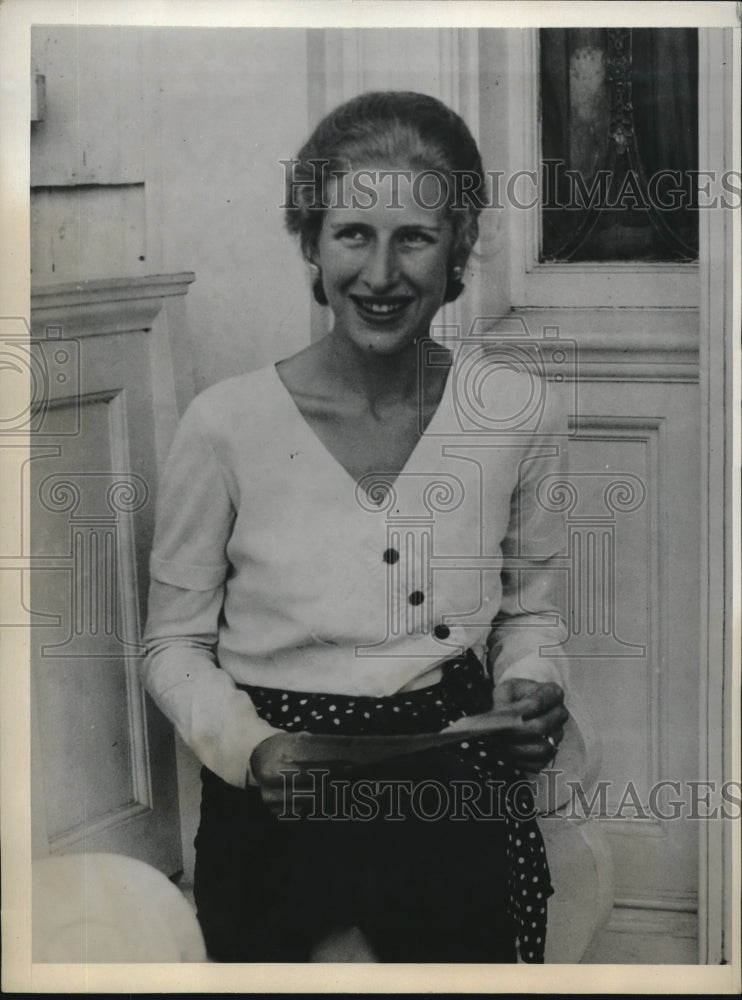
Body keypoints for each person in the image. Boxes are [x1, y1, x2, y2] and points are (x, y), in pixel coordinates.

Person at [143, 90, 570, 964]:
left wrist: (529, 685)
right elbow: (171, 646)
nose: (380, 275)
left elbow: (531, 609)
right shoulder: (224, 424)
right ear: (310, 241)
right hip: (280, 797)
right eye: (352, 235)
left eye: (413, 237)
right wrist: (254, 750)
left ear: (458, 246)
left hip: (453, 789)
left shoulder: (517, 411)